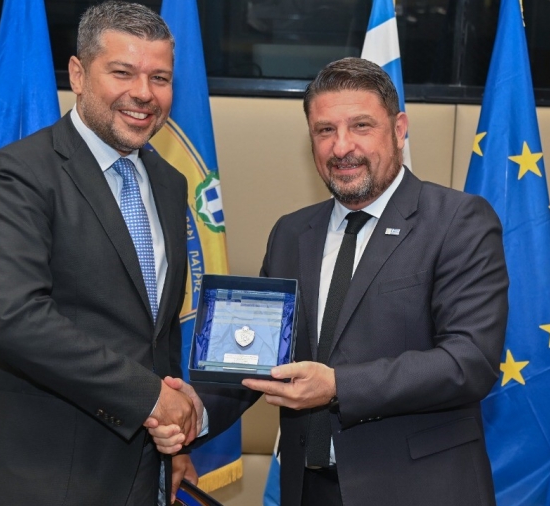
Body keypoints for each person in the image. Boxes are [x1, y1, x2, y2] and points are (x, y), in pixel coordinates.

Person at [151, 57, 509, 505]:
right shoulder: (291, 233)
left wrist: (339, 385)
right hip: (308, 490)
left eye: (361, 126)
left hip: (418, 490)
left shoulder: (458, 221)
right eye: (325, 130)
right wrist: (193, 413)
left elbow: (469, 362)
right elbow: (258, 357)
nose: (342, 147)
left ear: (399, 129)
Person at [0, 3, 203, 504]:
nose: (144, 93)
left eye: (160, 78)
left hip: (137, 473)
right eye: (122, 72)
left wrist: (175, 442)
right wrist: (150, 398)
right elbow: (13, 319)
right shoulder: (16, 175)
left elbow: (156, 333)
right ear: (78, 75)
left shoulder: (169, 184)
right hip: (33, 475)